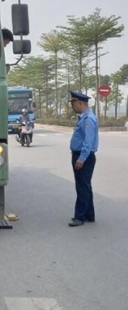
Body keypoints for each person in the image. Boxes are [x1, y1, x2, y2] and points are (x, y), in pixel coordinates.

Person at [67, 90, 99, 227]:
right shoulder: (84, 117)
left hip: (82, 156)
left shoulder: (88, 119)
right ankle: (89, 214)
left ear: (80, 103)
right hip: (82, 155)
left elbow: (88, 141)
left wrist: (81, 158)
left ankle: (79, 217)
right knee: (85, 186)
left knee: (82, 187)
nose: (72, 107)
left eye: (73, 104)